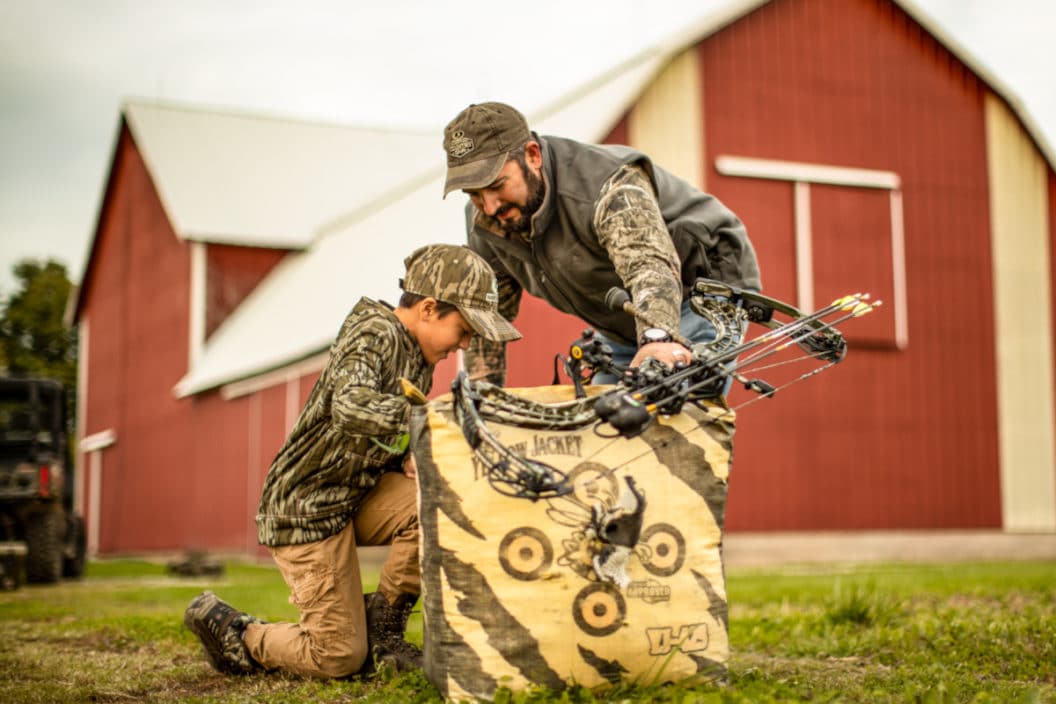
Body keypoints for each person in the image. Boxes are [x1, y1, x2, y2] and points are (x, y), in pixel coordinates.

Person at [183, 243, 521, 678]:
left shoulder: (419, 357)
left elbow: (385, 436)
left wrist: (408, 457)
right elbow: (350, 406)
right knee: (338, 656)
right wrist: (430, 419)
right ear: (430, 308)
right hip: (307, 510)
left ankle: (384, 631)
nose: (467, 343)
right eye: (465, 328)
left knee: (439, 501)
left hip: (355, 495)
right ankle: (240, 633)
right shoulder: (373, 331)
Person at [441, 101, 761, 386]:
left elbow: (648, 266)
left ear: (532, 156)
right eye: (474, 194)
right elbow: (489, 314)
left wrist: (658, 340)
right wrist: (482, 399)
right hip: (623, 320)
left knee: (668, 414)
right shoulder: (486, 222)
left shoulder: (606, 186)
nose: (490, 206)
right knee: (604, 428)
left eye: (497, 186)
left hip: (700, 290)